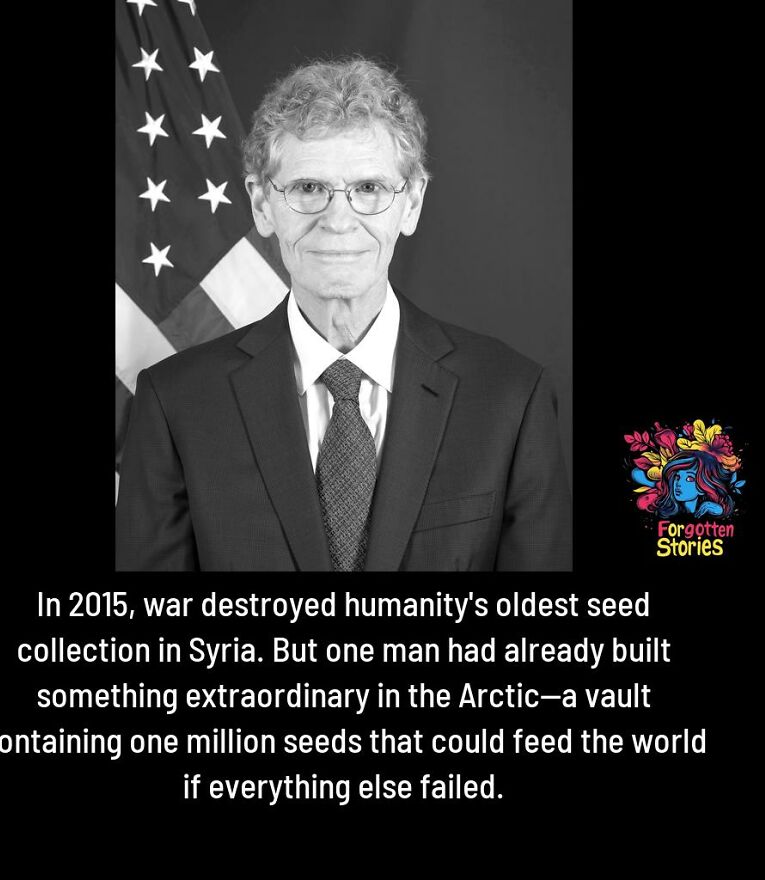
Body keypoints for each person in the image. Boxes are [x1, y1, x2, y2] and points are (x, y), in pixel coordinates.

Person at [115, 56, 571, 571]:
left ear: (412, 203)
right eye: (309, 189)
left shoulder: (511, 397)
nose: (338, 220)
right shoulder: (176, 403)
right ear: (262, 204)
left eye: (368, 189)